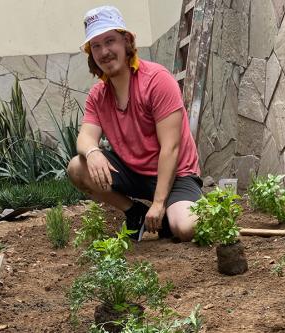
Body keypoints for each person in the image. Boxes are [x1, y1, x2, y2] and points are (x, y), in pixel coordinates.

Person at [67, 5, 202, 242]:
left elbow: (171, 148)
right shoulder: (98, 95)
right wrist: (93, 151)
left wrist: (159, 203)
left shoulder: (157, 80)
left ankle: (170, 213)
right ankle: (135, 212)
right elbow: (85, 137)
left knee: (186, 228)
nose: (104, 52)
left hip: (176, 173)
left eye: (110, 41)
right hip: (135, 174)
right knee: (78, 167)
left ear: (126, 41)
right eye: (96, 46)